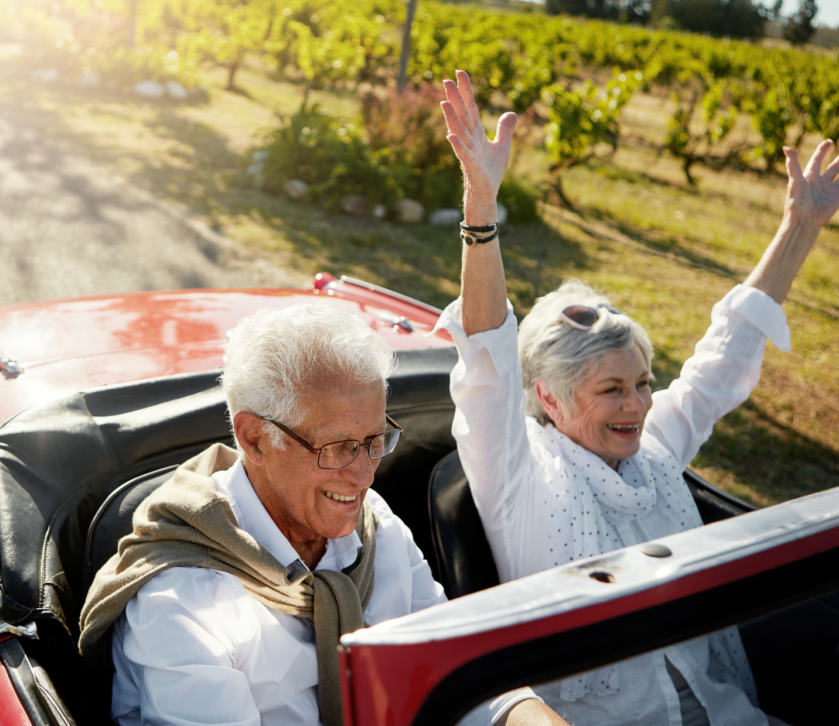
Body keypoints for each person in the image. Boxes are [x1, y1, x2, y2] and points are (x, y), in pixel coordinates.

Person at [437, 69, 839, 726]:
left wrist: (800, 225)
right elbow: (485, 363)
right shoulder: (517, 478)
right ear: (550, 398)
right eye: (612, 390)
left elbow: (722, 355)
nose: (639, 405)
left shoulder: (650, 450)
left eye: (644, 383)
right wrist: (481, 211)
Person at [78, 303, 568, 726]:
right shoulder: (181, 601)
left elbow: (459, 666)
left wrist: (525, 714)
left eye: (375, 441)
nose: (364, 476)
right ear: (253, 438)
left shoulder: (375, 528)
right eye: (337, 447)